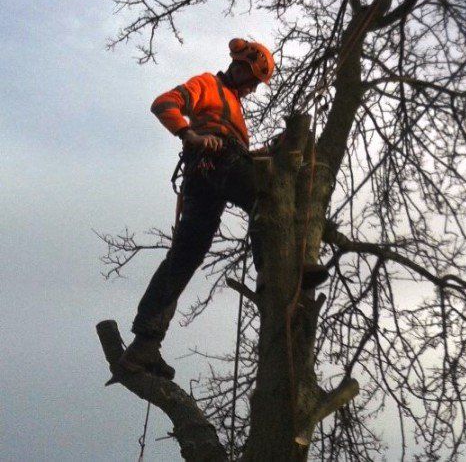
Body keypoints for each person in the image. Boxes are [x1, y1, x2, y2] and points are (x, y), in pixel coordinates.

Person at [118, 38, 328, 379]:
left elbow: (240, 155)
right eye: (249, 80)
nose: (249, 88)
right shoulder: (207, 84)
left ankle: (144, 346)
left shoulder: (233, 107)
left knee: (185, 256)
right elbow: (164, 104)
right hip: (214, 161)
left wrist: (267, 149)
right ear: (240, 71)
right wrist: (190, 135)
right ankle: (275, 270)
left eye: (252, 82)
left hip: (209, 173)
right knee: (266, 196)